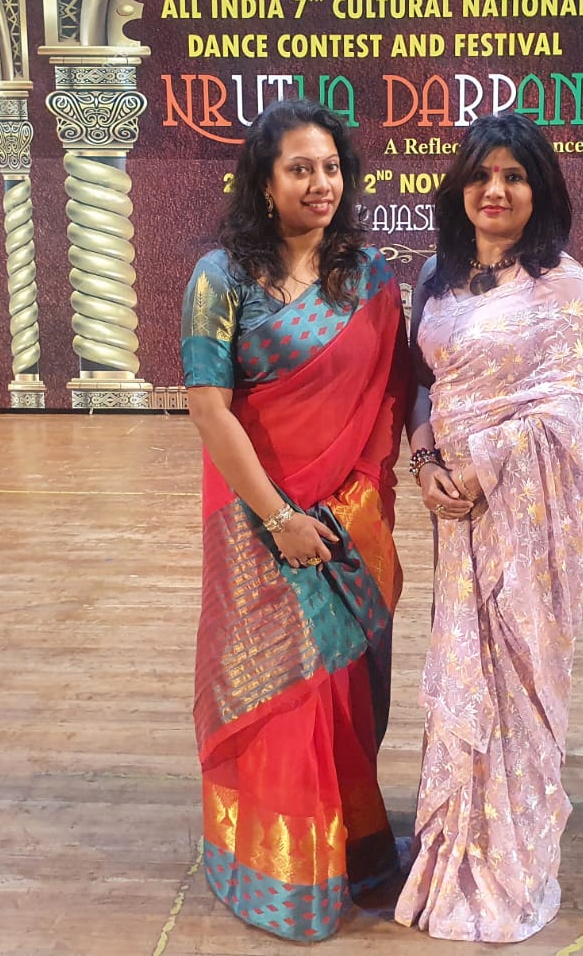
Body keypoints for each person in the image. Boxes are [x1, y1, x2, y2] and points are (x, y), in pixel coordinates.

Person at [179, 98, 411, 942]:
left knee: (338, 691)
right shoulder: (221, 277)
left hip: (344, 520)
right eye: (300, 168)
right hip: (255, 520)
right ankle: (279, 873)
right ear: (265, 182)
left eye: (331, 167)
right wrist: (280, 518)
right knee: (277, 691)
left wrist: (354, 503)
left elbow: (392, 395)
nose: (320, 183)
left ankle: (347, 849)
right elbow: (209, 407)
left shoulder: (369, 277)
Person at [394, 111, 583, 943]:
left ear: (539, 189)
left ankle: (506, 862)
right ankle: (454, 847)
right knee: (462, 669)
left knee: (515, 673)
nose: (496, 190)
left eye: (514, 176)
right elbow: (419, 383)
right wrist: (424, 462)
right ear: (460, 188)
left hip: (525, 515)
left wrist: (479, 468)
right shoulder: (436, 279)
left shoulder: (563, 286)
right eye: (481, 175)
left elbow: (565, 411)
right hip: (455, 512)